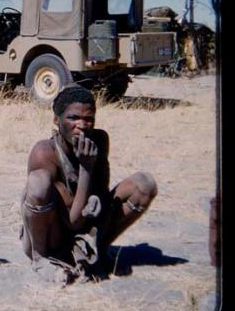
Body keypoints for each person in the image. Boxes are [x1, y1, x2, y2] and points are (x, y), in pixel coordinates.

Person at [20, 84, 157, 283]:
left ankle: (97, 249)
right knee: (38, 182)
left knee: (144, 184)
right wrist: (85, 168)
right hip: (51, 234)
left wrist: (97, 200)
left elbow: (101, 190)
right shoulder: (45, 153)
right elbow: (73, 220)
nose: (82, 125)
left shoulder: (99, 140)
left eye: (88, 119)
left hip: (84, 224)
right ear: (56, 120)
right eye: (73, 118)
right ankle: (41, 259)